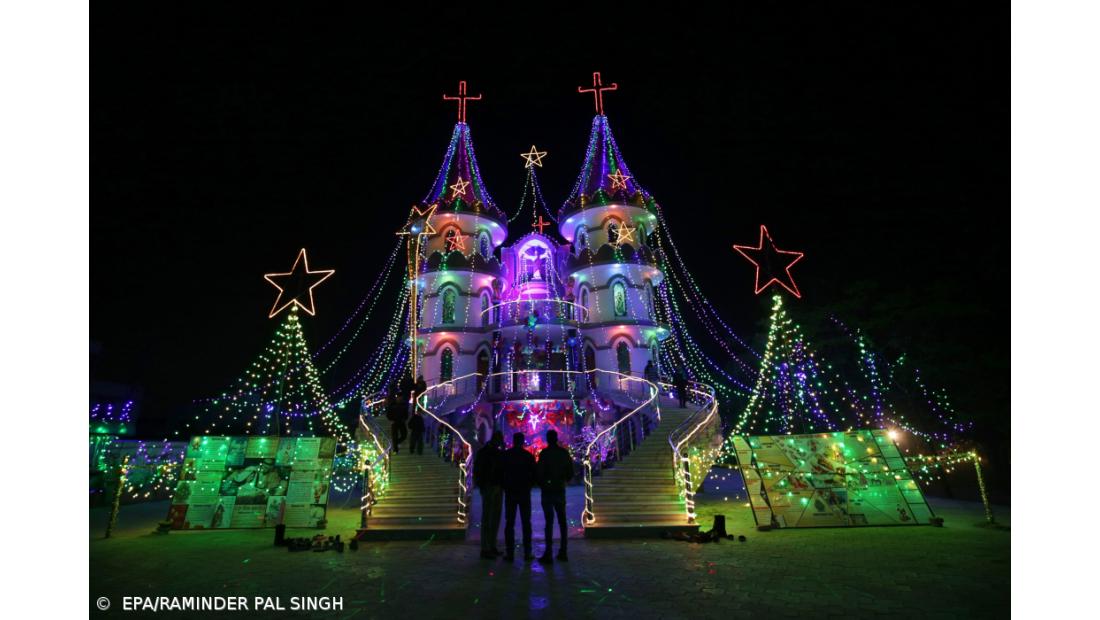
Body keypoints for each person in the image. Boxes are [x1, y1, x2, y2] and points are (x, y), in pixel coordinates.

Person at [536, 430, 573, 563]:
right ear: (556, 439)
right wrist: (563, 480)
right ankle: (563, 551)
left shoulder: (545, 454)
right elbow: (570, 471)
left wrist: (543, 483)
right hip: (559, 489)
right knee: (562, 521)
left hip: (547, 491)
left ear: (548, 439)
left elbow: (539, 472)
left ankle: (548, 552)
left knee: (549, 522)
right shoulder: (563, 453)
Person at [500, 432, 537, 561]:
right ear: (522, 441)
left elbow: (501, 472)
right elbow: (534, 474)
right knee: (526, 523)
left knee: (509, 523)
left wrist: (505, 486)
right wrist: (529, 485)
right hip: (524, 492)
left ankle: (510, 552)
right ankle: (527, 552)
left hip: (511, 492)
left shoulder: (506, 456)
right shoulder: (528, 456)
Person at [473, 431, 505, 559]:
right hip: (489, 486)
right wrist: (482, 485)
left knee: (495, 517)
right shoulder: (486, 452)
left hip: (497, 486)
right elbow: (479, 470)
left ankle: (491, 546)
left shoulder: (496, 452)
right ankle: (486, 547)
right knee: (488, 517)